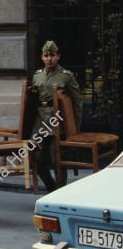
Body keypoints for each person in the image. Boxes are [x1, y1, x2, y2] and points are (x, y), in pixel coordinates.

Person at [32, 40, 82, 192]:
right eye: (46, 56)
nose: (49, 59)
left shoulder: (66, 76)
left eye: (52, 55)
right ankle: (52, 189)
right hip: (40, 122)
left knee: (57, 160)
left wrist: (75, 128)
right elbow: (32, 102)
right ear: (42, 57)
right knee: (35, 158)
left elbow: (77, 101)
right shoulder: (37, 76)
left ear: (58, 56)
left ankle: (61, 191)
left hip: (57, 122)